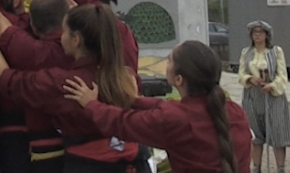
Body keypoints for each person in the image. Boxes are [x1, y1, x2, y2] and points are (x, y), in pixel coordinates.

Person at [0, 0, 149, 172]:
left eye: (64, 31)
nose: (60, 36)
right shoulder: (126, 77)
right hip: (136, 163)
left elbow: (4, 79)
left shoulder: (69, 84)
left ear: (76, 40)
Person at [64, 41, 252, 173]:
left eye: (169, 60)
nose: (166, 63)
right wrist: (132, 99)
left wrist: (91, 104)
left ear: (179, 79)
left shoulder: (175, 119)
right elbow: (165, 107)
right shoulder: (235, 111)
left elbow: (123, 123)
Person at [238, 21, 290, 173]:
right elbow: (241, 73)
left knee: (277, 130)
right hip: (252, 95)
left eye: (260, 32)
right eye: (255, 32)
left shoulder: (276, 51)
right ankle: (256, 167)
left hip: (273, 95)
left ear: (266, 35)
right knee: (255, 132)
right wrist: (250, 79)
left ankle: (280, 167)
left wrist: (273, 85)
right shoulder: (246, 52)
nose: (257, 35)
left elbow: (282, 74)